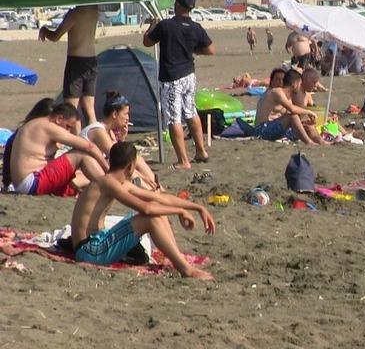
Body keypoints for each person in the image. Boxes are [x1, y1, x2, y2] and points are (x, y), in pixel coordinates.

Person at [71, 142, 215, 280]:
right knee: (150, 218)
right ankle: (186, 269)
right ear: (130, 166)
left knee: (156, 211)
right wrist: (180, 211)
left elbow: (159, 199)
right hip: (89, 251)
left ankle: (177, 259)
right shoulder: (107, 183)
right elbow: (146, 209)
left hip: (96, 244)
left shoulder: (118, 183)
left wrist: (197, 207)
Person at [143, 0, 214, 170]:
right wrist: (195, 51)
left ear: (179, 6)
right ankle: (201, 150)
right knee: (191, 112)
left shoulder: (167, 26)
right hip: (189, 74)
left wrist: (152, 25)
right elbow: (211, 49)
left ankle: (183, 160)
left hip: (172, 77)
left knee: (174, 118)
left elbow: (147, 42)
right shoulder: (195, 27)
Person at [9, 102, 108, 196]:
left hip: (22, 183)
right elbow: (89, 146)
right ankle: (108, 186)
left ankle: (106, 184)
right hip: (31, 182)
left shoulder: (34, 123)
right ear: (59, 119)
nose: (67, 131)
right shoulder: (49, 127)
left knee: (78, 175)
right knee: (80, 153)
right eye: (68, 127)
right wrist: (108, 169)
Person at [79, 92, 160, 191]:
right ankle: (153, 191)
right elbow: (120, 160)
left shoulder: (110, 132)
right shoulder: (98, 131)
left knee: (136, 159)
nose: (128, 118)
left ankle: (158, 188)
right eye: (125, 114)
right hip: (86, 169)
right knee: (126, 167)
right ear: (114, 114)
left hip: (99, 167)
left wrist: (122, 137)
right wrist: (142, 177)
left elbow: (122, 156)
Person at [38, 5, 100, 131]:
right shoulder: (94, 11)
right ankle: (94, 140)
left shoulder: (74, 13)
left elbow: (55, 37)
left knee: (71, 110)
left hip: (76, 61)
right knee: (90, 110)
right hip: (91, 60)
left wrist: (44, 30)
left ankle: (77, 144)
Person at [253, 68, 321, 144]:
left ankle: (323, 142)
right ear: (295, 84)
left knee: (307, 125)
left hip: (274, 129)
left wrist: (304, 122)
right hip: (262, 130)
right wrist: (309, 112)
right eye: (300, 84)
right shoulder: (276, 92)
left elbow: (290, 116)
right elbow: (292, 110)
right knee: (293, 116)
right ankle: (309, 142)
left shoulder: (287, 97)